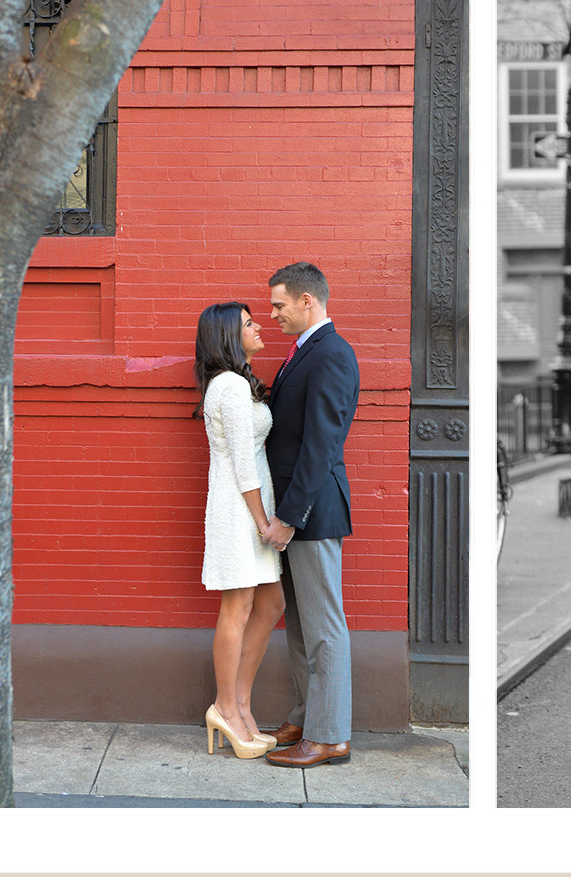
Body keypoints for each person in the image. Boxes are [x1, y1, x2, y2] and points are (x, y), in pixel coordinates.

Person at [259, 262, 360, 768]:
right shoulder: (304, 353)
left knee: (324, 628)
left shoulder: (332, 355)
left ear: (307, 301)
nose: (271, 313)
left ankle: (330, 736)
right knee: (300, 626)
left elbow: (321, 446)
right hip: (298, 511)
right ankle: (306, 717)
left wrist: (289, 516)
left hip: (313, 513)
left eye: (278, 304)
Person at [193, 302, 286, 760]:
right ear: (229, 336)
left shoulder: (239, 383)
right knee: (239, 605)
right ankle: (226, 709)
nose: (258, 326)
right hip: (238, 508)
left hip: (255, 505)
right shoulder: (228, 386)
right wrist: (263, 520)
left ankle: (242, 704)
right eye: (249, 323)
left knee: (270, 603)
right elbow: (242, 464)